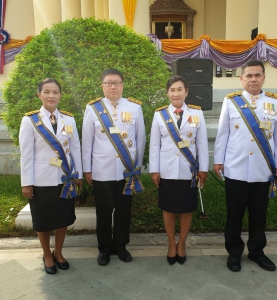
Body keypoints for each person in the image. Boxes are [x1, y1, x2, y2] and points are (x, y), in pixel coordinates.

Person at [213, 60, 277, 272]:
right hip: (235, 168)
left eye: (257, 75)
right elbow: (223, 134)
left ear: (263, 78)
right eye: (249, 75)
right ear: (241, 79)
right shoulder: (231, 101)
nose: (253, 79)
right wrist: (219, 160)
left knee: (258, 214)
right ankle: (234, 253)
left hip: (263, 169)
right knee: (234, 214)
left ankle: (256, 252)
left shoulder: (275, 102)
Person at [82, 68, 146, 266]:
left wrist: (136, 167)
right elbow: (87, 141)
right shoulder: (93, 108)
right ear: (102, 86)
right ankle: (104, 248)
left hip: (126, 171)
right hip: (102, 171)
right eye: (108, 82)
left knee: (124, 210)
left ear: (122, 85)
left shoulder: (134, 107)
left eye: (116, 82)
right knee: (103, 211)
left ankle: (120, 246)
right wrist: (87, 169)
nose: (113, 86)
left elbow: (140, 139)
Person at [19, 78, 83, 274]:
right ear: (39, 94)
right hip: (41, 181)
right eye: (47, 92)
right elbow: (26, 154)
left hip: (64, 178)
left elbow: (75, 149)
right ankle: (47, 254)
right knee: (43, 220)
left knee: (63, 218)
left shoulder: (68, 119)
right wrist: (27, 183)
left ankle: (59, 252)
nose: (51, 96)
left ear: (60, 95)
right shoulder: (30, 120)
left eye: (55, 92)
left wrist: (77, 174)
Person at [149, 75, 209, 265]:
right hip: (166, 171)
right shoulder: (160, 115)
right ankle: (171, 244)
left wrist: (203, 169)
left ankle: (182, 243)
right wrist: (154, 170)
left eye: (179, 89)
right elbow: (154, 145)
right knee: (168, 209)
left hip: (188, 171)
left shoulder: (197, 114)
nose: (176, 93)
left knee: (186, 209)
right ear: (167, 93)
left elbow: (202, 144)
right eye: (172, 90)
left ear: (186, 92)